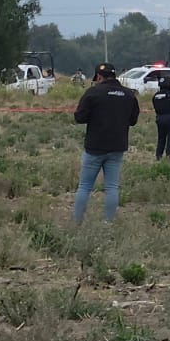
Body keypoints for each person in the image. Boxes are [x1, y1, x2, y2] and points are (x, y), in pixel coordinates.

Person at [73, 62, 140, 224]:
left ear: (99, 77)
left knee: (85, 187)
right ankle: (108, 224)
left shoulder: (93, 93)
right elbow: (133, 121)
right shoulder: (129, 95)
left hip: (94, 147)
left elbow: (79, 117)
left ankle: (77, 223)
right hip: (117, 146)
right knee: (111, 187)